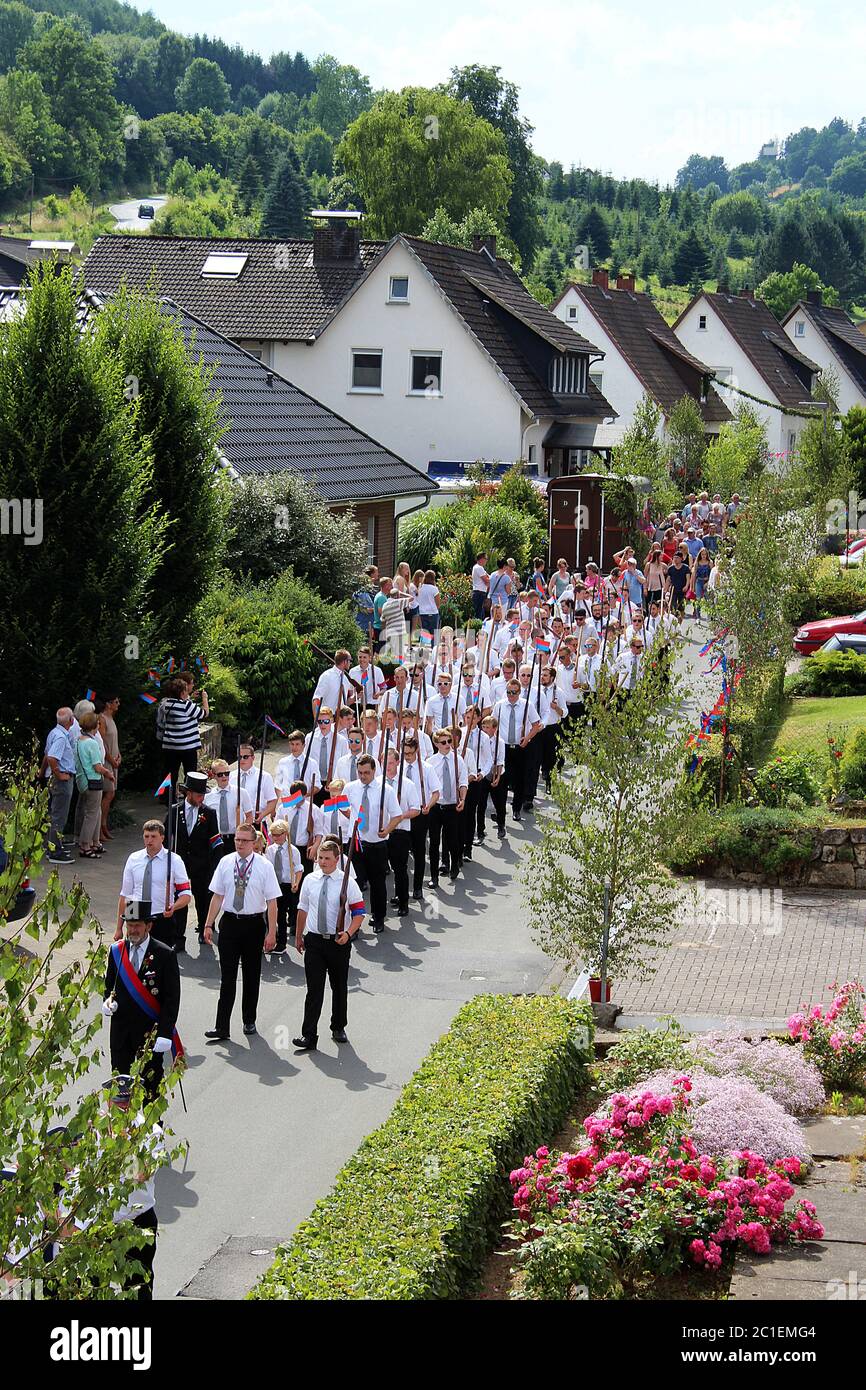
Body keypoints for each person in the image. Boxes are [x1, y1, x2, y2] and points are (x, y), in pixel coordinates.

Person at [203, 825, 280, 1040]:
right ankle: (221, 1026)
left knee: (251, 974)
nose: (239, 844)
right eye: (237, 839)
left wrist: (271, 932)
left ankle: (249, 1020)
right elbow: (217, 895)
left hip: (253, 924)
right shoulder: (226, 862)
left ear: (254, 842)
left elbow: (272, 901)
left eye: (244, 840)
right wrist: (209, 924)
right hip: (230, 923)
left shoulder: (264, 866)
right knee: (227, 977)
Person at [102, 899, 181, 1103]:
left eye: (137, 925)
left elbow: (171, 999)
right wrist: (107, 1003)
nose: (132, 930)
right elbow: (110, 985)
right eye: (129, 925)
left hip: (150, 1034)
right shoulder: (116, 952)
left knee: (150, 1089)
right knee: (120, 1089)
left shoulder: (165, 954)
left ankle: (151, 1132)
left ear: (149, 926)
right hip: (121, 1033)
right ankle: (122, 1132)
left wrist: (165, 1033)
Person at [292, 839, 366, 1052]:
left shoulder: (347, 882)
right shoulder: (310, 879)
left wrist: (349, 933)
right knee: (313, 989)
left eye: (327, 859)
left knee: (339, 986)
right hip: (314, 940)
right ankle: (309, 1034)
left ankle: (338, 1026)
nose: (322, 862)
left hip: (338, 941)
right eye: (320, 858)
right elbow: (303, 908)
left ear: (336, 860)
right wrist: (299, 936)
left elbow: (359, 913)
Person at [342, 755, 402, 931]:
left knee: (377, 883)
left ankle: (378, 917)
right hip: (356, 842)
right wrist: (354, 820)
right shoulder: (350, 788)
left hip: (377, 844)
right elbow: (343, 808)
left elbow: (397, 815)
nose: (363, 776)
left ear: (374, 771)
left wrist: (387, 830)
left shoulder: (386, 790)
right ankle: (354, 923)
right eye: (360, 772)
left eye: (366, 773)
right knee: (355, 884)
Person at [166, 771, 221, 948]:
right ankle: (178, 938)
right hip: (180, 864)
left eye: (203, 795)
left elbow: (216, 843)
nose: (201, 798)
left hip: (201, 864)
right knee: (181, 900)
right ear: (188, 793)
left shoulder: (209, 813)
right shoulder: (174, 811)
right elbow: (166, 838)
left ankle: (203, 928)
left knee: (202, 899)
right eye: (198, 795)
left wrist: (214, 867)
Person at [117, 820, 191, 950]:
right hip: (135, 912)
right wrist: (119, 928)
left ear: (162, 838)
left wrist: (173, 907)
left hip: (160, 916)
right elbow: (125, 894)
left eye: (153, 836)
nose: (149, 840)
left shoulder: (174, 860)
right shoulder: (134, 858)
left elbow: (186, 895)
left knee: (160, 959)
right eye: (146, 836)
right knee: (134, 958)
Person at [493, 681, 541, 824]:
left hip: (521, 747)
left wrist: (527, 738)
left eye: (514, 692)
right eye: (509, 692)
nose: (511, 695)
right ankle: (500, 810)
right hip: (504, 747)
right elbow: (493, 724)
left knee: (520, 780)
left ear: (519, 692)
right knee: (501, 780)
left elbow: (536, 725)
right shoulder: (500, 705)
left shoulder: (527, 705)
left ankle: (516, 808)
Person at [383, 748, 421, 918]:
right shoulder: (378, 783)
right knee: (381, 871)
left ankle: (404, 901)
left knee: (400, 868)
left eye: (391, 763)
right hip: (382, 833)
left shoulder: (407, 784)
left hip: (400, 832)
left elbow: (416, 809)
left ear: (398, 763)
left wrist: (399, 816)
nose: (388, 766)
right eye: (385, 763)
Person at [427, 728, 468, 883]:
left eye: (449, 741)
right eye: (443, 742)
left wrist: (462, 799)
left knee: (453, 840)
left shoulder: (458, 759)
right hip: (436, 806)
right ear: (436, 744)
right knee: (434, 842)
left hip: (452, 806)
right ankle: (434, 877)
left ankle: (454, 863)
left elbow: (463, 782)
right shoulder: (430, 763)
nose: (447, 745)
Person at [74, 712, 114, 859]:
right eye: (97, 723)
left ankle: (95, 842)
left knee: (95, 811)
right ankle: (85, 845)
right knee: (91, 814)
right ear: (93, 725)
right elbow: (97, 766)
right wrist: (108, 774)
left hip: (82, 781)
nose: (99, 726)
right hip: (93, 782)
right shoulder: (92, 743)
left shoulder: (79, 740)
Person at [156, 675, 208, 784]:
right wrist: (205, 699)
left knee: (170, 773)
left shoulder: (167, 704)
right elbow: (204, 713)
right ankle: (188, 797)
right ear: (181, 692)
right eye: (185, 690)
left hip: (170, 745)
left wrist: (190, 698)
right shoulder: (186, 706)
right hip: (187, 747)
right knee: (190, 773)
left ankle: (167, 798)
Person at [265, 818, 303, 954]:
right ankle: (270, 938)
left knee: (281, 915)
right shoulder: (269, 850)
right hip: (273, 885)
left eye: (278, 834)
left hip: (287, 885)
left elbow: (298, 868)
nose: (275, 837)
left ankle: (281, 943)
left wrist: (296, 882)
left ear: (285, 834)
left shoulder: (293, 850)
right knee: (269, 914)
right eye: (273, 835)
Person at [45, 707, 76, 864]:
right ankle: (54, 851)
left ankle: (54, 845)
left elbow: (46, 755)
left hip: (56, 778)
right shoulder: (61, 737)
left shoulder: (54, 733)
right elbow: (52, 757)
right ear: (70, 721)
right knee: (59, 815)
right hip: (61, 780)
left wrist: (43, 773)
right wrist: (58, 774)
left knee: (55, 813)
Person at [205, 759, 254, 855]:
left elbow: (249, 816)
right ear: (214, 775)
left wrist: (242, 831)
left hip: (236, 838)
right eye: (220, 774)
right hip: (217, 838)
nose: (224, 776)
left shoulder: (241, 793)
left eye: (226, 773)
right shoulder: (208, 797)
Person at [229, 744, 277, 826]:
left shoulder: (264, 776)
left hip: (256, 822)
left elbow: (272, 800)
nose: (242, 760)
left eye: (245, 757)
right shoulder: (231, 776)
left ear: (253, 758)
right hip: (236, 824)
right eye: (239, 757)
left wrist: (262, 814)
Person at [96, 694, 121, 844]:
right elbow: (103, 743)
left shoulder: (111, 718)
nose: (118, 704)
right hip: (107, 762)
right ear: (108, 703)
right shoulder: (102, 719)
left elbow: (113, 741)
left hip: (114, 760)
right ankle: (100, 827)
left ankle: (103, 825)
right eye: (116, 701)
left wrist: (119, 756)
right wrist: (111, 760)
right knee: (108, 794)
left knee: (111, 794)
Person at [665, 550, 689, 617]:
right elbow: (668, 580)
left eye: (677, 558)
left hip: (682, 590)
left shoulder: (685, 568)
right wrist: (665, 589)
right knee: (673, 607)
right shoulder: (671, 568)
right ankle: (674, 621)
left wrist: (686, 586)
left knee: (681, 608)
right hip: (673, 590)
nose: (675, 559)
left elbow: (688, 578)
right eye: (674, 557)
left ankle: (680, 622)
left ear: (681, 558)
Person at [417, 569, 441, 637]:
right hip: (433, 613)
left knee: (425, 634)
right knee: (434, 634)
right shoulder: (434, 589)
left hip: (422, 613)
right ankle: (433, 647)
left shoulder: (420, 588)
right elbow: (438, 603)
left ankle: (424, 647)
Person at [691, 546, 712, 621]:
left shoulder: (710, 563)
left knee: (708, 599)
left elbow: (712, 573)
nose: (703, 556)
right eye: (702, 554)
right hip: (699, 581)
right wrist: (692, 586)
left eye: (705, 554)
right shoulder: (697, 563)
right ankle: (698, 616)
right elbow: (694, 574)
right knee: (698, 599)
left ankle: (709, 615)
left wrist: (708, 582)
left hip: (707, 581)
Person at [471, 552, 490, 620]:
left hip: (479, 592)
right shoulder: (479, 568)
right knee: (478, 614)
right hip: (479, 593)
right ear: (481, 559)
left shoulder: (479, 568)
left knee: (480, 613)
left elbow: (488, 579)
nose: (486, 560)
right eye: (486, 558)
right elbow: (487, 581)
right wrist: (489, 581)